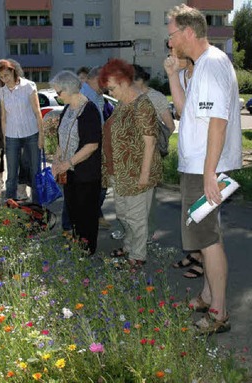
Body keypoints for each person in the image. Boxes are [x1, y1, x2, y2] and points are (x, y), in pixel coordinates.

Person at [164, 4, 242, 335]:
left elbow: (218, 123)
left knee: (208, 240)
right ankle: (208, 295)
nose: (169, 44)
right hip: (198, 166)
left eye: (171, 35)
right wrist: (172, 75)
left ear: (188, 33)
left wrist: (209, 173)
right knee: (204, 236)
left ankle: (219, 313)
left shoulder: (210, 65)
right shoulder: (200, 66)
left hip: (203, 169)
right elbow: (186, 111)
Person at [99, 58, 162, 270]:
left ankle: (138, 255)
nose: (110, 92)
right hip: (121, 170)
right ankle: (128, 246)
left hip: (137, 171)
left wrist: (144, 175)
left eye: (112, 87)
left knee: (136, 217)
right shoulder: (121, 104)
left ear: (124, 82)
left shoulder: (142, 105)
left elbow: (150, 141)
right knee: (123, 214)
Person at [50, 71, 102, 254]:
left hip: (86, 173)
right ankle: (78, 243)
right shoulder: (67, 108)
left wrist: (68, 162)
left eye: (58, 92)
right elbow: (62, 138)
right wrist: (57, 160)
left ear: (69, 89)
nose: (57, 96)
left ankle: (87, 250)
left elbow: (92, 145)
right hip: (69, 172)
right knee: (73, 211)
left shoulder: (89, 110)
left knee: (86, 214)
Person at [165, 54, 204, 279]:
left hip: (204, 154)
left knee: (204, 211)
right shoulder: (181, 75)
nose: (171, 55)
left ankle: (204, 257)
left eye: (176, 51)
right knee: (190, 209)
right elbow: (180, 112)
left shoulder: (204, 72)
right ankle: (195, 253)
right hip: (188, 154)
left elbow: (190, 112)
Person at [133, 64, 176, 245]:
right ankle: (132, 232)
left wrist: (154, 137)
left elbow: (170, 126)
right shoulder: (127, 97)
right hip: (132, 155)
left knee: (149, 197)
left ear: (137, 80)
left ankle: (148, 233)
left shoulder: (155, 97)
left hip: (151, 154)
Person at [0, 59, 44, 203]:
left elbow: (37, 111)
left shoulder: (28, 86)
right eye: (1, 77)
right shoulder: (2, 92)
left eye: (6, 75)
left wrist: (41, 136)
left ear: (13, 71)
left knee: (35, 172)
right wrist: (4, 140)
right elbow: (4, 117)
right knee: (12, 175)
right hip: (11, 136)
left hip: (32, 134)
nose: (4, 79)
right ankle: (10, 209)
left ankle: (37, 207)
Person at [79, 66, 112, 231]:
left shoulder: (98, 96)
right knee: (88, 187)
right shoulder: (83, 95)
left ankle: (93, 215)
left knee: (101, 185)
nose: (107, 85)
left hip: (98, 147)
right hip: (87, 149)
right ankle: (79, 221)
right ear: (95, 79)